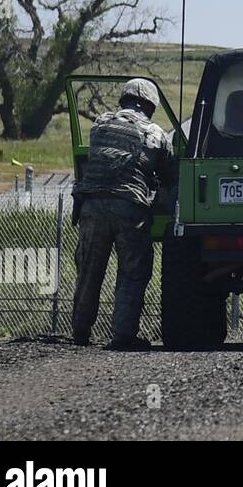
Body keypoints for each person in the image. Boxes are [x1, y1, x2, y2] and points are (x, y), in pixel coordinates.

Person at [71, 78, 175, 351]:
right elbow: (168, 175)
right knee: (132, 272)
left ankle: (80, 331)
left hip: (91, 205)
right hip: (130, 207)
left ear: (124, 99)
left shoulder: (100, 124)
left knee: (89, 269)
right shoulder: (156, 133)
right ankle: (123, 335)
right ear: (151, 106)